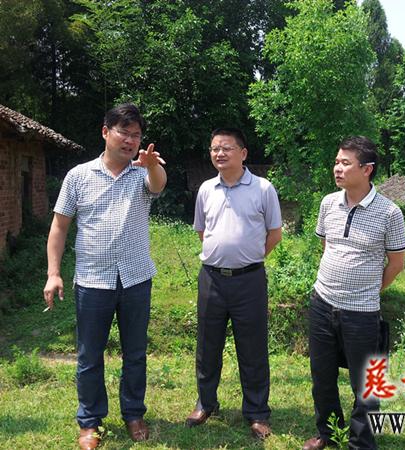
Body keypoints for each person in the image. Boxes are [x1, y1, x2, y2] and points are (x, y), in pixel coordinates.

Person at [43, 103, 166, 449]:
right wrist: (53, 273)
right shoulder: (78, 176)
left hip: (136, 278)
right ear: (105, 132)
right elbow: (59, 227)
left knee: (135, 353)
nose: (130, 140)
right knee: (89, 355)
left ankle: (133, 414)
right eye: (123, 132)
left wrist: (152, 165)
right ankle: (89, 421)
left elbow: (158, 184)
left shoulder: (142, 173)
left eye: (136, 135)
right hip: (92, 281)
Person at [302, 136, 405, 450]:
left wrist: (369, 290)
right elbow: (327, 246)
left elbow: (396, 263)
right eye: (337, 162)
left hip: (362, 312)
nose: (337, 168)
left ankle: (361, 442)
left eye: (345, 163)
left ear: (367, 169)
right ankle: (328, 433)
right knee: (322, 375)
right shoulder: (328, 203)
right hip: (322, 303)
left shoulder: (389, 212)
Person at [186, 127, 282, 440]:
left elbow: (274, 234)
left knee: (253, 348)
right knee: (207, 345)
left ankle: (257, 412)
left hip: (249, 280)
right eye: (215, 148)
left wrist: (248, 258)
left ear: (243, 153)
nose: (219, 153)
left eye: (226, 148)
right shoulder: (206, 189)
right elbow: (202, 231)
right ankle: (206, 403)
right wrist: (223, 255)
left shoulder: (263, 188)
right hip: (212, 278)